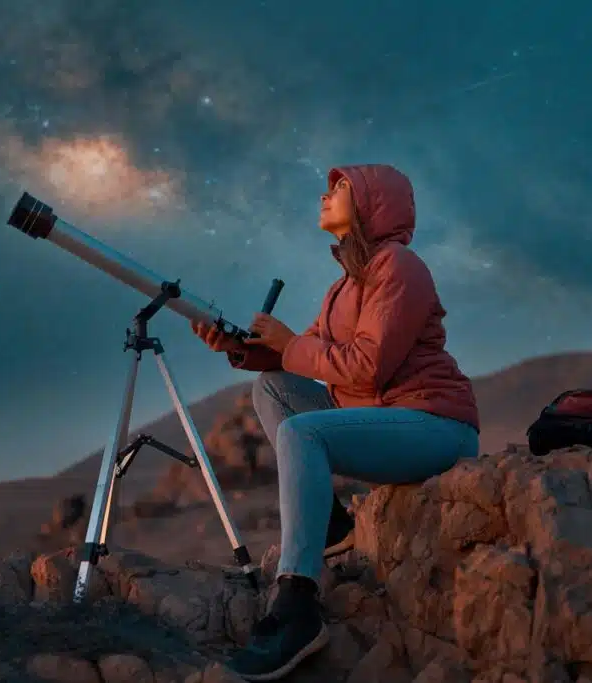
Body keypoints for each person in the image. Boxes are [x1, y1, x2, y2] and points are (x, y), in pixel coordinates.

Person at [191, 164, 480, 681]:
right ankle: (332, 526)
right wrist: (241, 348)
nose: (325, 196)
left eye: (340, 189)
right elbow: (298, 358)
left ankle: (298, 602)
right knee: (271, 388)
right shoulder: (342, 287)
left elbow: (367, 367)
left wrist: (287, 342)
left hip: (434, 425)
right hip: (382, 423)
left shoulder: (400, 267)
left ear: (374, 202)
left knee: (301, 432)